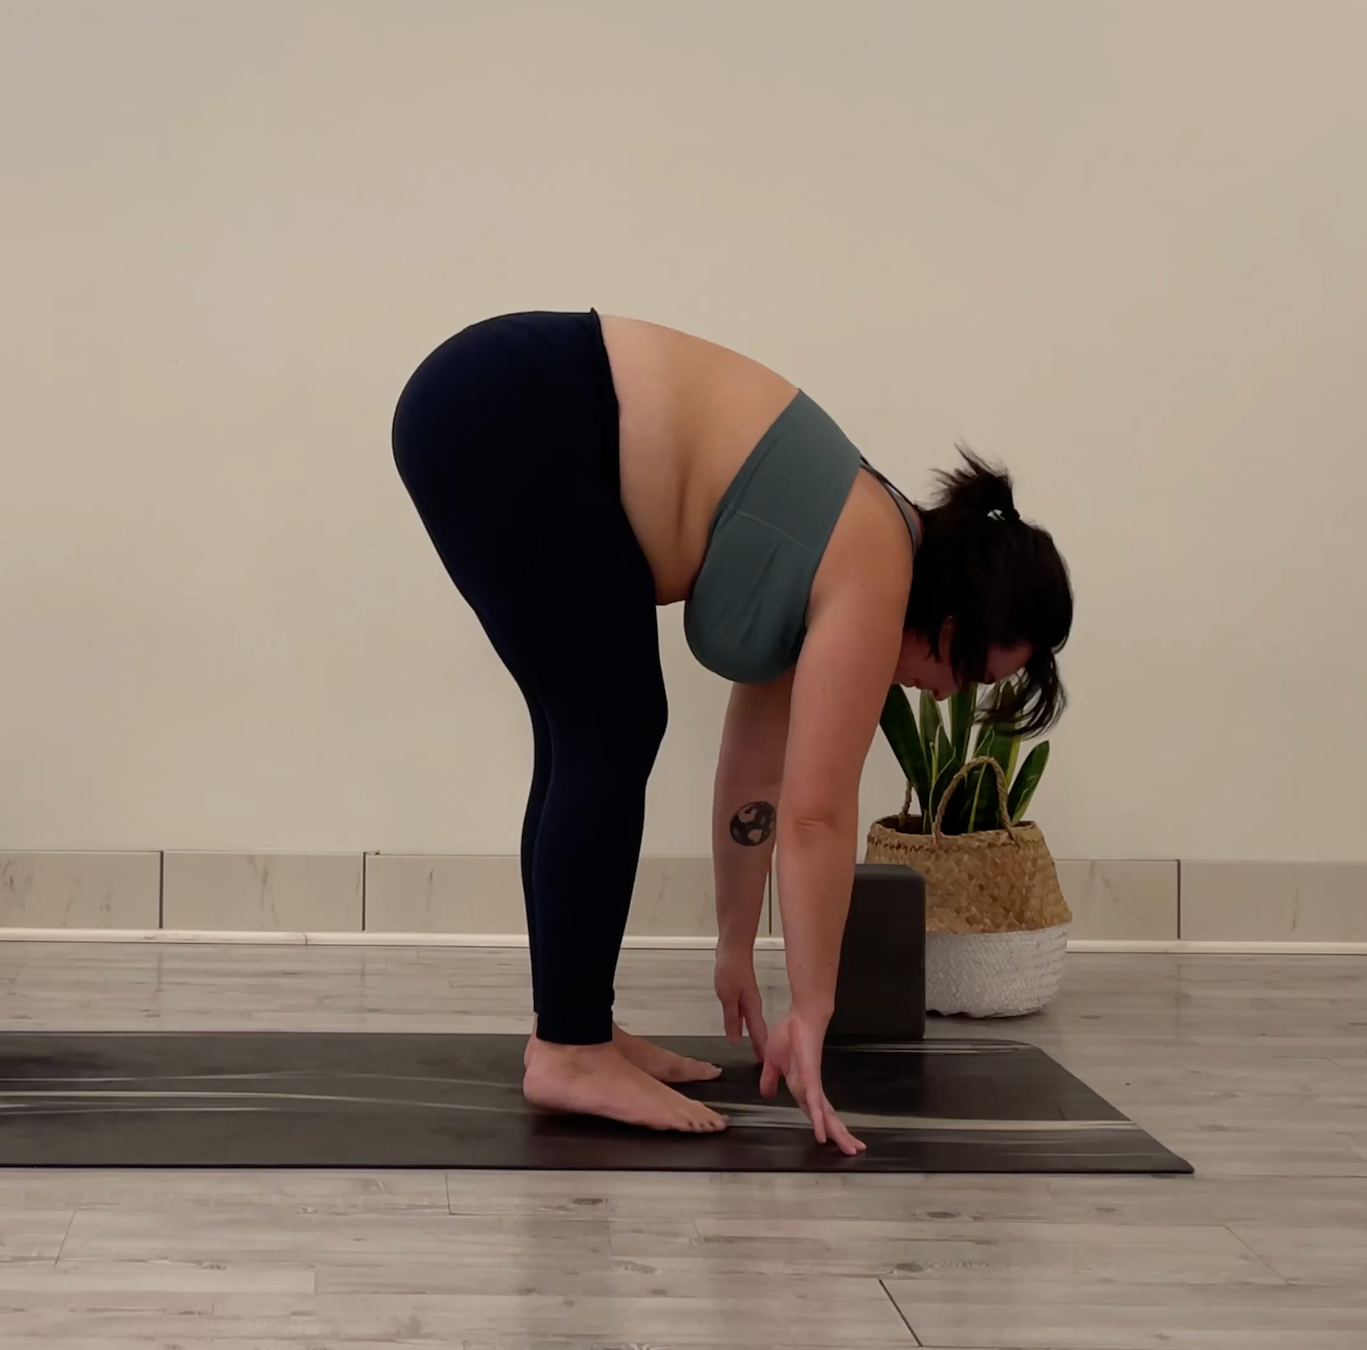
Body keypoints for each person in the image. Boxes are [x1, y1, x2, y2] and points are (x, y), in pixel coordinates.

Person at [390, 310, 1071, 1149]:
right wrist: (814, 1010)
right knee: (611, 723)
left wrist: (736, 944)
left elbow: (760, 779)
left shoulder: (842, 544)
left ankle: (577, 1029)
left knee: (590, 729)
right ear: (954, 617)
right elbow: (818, 818)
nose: (943, 694)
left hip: (495, 400)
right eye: (964, 670)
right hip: (517, 409)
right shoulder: (874, 562)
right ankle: (569, 1049)